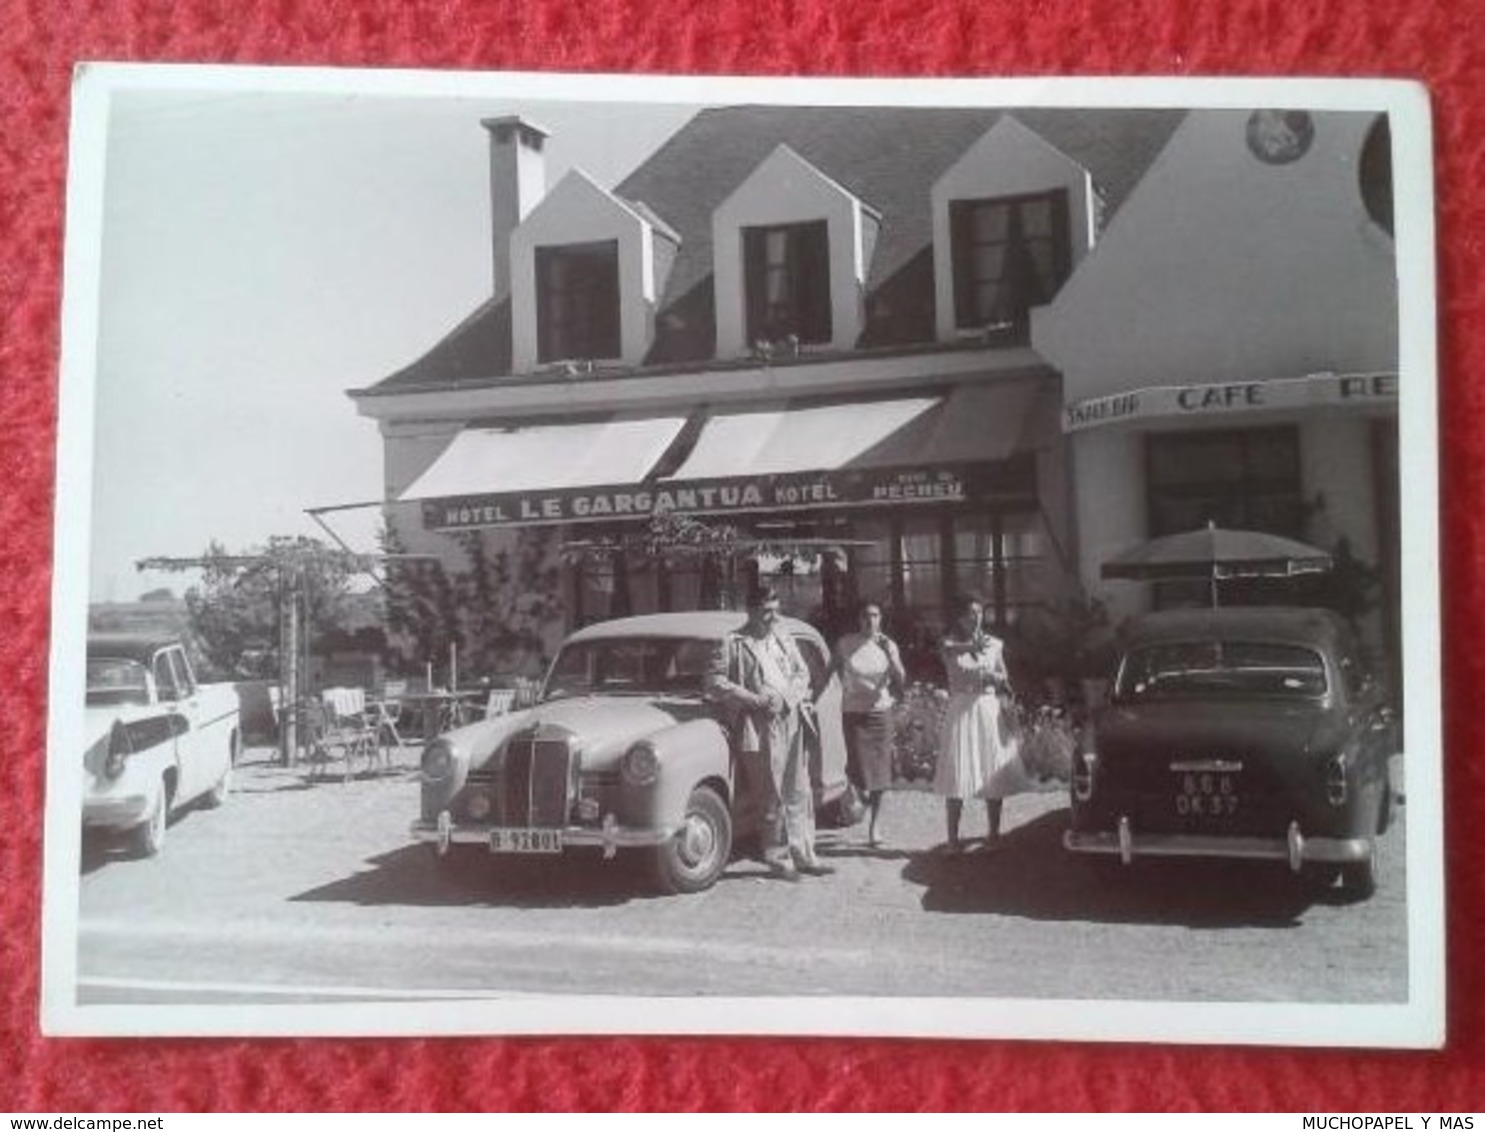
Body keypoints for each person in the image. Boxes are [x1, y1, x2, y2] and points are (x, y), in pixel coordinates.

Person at [705, 585, 833, 881]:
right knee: (771, 794)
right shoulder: (733, 643)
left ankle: (805, 854)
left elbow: (802, 674)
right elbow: (714, 682)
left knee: (798, 789)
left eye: (775, 610)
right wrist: (753, 699)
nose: (771, 617)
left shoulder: (783, 637)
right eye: (765, 611)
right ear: (750, 610)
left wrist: (787, 697)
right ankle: (779, 859)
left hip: (791, 718)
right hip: (759, 725)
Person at [933, 593, 1016, 853]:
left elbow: (1004, 675)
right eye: (970, 613)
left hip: (988, 708)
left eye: (980, 612)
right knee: (957, 772)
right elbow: (947, 649)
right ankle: (952, 840)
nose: (976, 617)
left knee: (992, 769)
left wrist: (996, 677)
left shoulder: (994, 644)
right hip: (962, 710)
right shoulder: (949, 643)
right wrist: (970, 647)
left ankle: (993, 834)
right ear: (959, 617)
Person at [833, 600, 906, 848]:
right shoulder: (845, 643)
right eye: (865, 616)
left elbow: (901, 678)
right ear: (858, 619)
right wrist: (812, 696)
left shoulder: (888, 645)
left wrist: (890, 654)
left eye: (875, 616)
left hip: (880, 713)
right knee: (856, 768)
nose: (870, 621)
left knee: (880, 772)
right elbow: (828, 671)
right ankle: (858, 799)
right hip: (853, 713)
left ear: (881, 619)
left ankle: (875, 826)